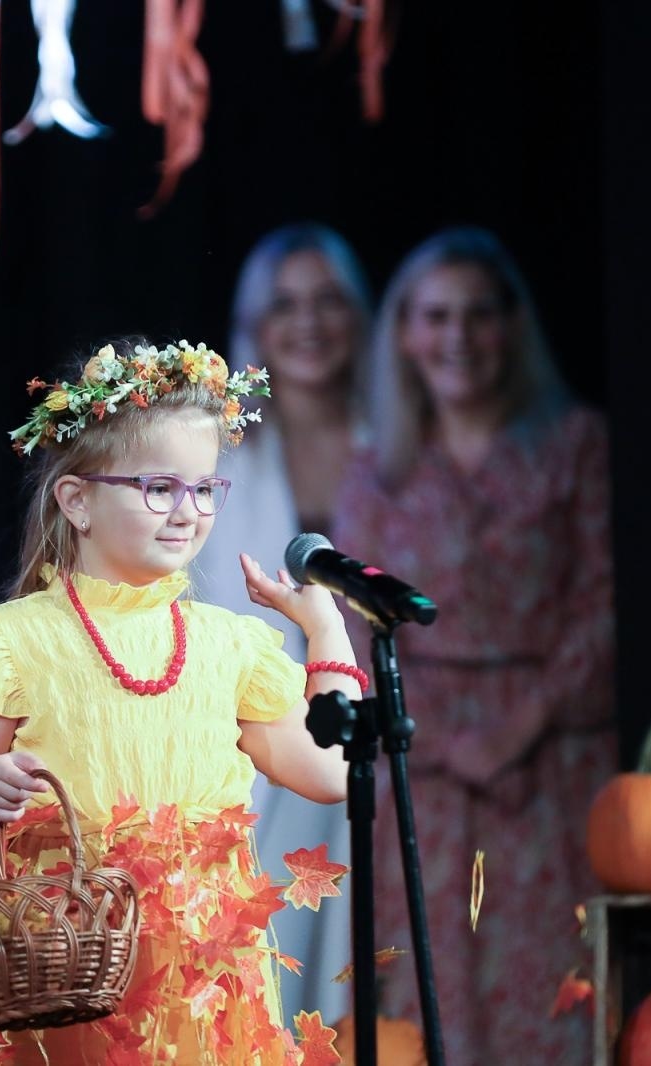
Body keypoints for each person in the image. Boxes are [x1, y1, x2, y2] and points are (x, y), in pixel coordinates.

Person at [0, 338, 364, 1064]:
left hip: (205, 990)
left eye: (205, 489)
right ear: (78, 501)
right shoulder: (11, 641)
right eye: (159, 487)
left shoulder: (229, 646)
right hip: (72, 981)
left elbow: (336, 770)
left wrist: (325, 629)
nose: (187, 511)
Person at [331, 228, 616, 1063]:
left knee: (561, 984)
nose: (458, 338)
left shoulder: (576, 445)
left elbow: (604, 602)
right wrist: (432, 735)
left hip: (552, 764)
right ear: (406, 335)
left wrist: (521, 724)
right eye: (436, 317)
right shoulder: (376, 467)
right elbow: (352, 617)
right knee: (431, 991)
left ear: (512, 326)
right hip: (424, 769)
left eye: (479, 315)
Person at [193, 223, 372, 1027]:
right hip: (259, 748)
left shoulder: (396, 443)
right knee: (266, 972)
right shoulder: (217, 460)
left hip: (384, 731)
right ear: (254, 326)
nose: (308, 322)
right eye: (285, 304)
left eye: (328, 300)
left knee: (369, 972)